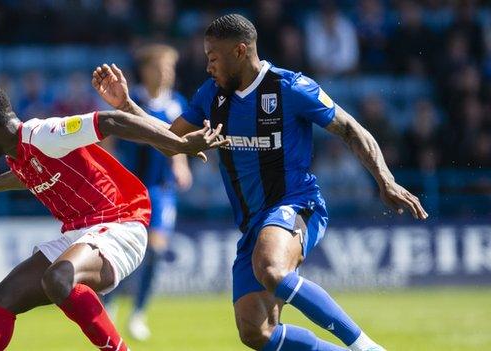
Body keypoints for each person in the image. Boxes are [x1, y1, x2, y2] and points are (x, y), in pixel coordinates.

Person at [92, 14, 428, 351]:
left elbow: (351, 128)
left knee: (271, 268)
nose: (208, 67)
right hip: (253, 223)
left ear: (239, 51)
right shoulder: (211, 94)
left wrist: (385, 180)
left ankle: (366, 347)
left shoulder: (290, 87)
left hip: (295, 204)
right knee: (257, 332)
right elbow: (166, 137)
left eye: (213, 58)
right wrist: (126, 106)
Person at [0, 86, 227, 351]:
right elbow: (28, 173)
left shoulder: (44, 134)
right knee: (0, 298)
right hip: (80, 233)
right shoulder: (19, 154)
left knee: (58, 278)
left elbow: (110, 120)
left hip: (121, 223)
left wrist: (177, 143)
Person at [102, 44, 192, 341]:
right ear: (146, 70)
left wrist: (181, 164)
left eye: (171, 68)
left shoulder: (177, 103)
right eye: (161, 67)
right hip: (128, 188)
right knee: (122, 249)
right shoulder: (130, 100)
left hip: (161, 190)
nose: (167, 74)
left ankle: (138, 313)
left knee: (154, 251)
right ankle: (111, 304)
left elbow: (176, 140)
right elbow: (110, 138)